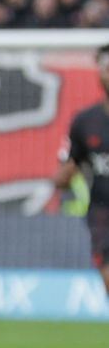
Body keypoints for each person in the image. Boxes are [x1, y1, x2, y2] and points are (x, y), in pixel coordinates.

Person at [55, 43, 109, 291]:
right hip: (103, 212)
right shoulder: (85, 121)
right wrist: (64, 176)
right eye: (106, 66)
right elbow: (63, 174)